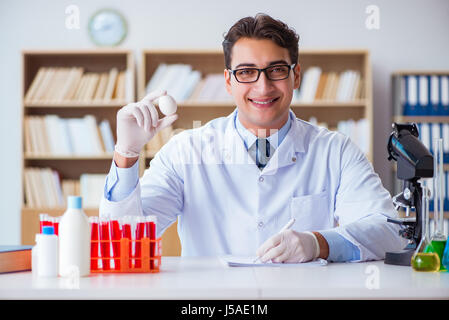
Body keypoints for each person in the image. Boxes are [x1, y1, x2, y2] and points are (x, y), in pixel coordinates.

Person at [100, 13, 407, 263]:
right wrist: (126, 154)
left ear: (296, 76)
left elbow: (389, 231)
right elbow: (122, 238)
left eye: (276, 70)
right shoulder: (186, 151)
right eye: (247, 72)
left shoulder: (335, 151)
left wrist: (319, 243)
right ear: (228, 81)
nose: (263, 88)